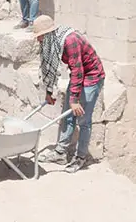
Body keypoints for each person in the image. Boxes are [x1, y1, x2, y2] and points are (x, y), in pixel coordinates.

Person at [32, 15, 105, 173]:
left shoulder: (69, 40)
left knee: (83, 118)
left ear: (48, 33)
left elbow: (78, 70)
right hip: (78, 75)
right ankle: (60, 153)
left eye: (40, 37)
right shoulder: (51, 42)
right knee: (68, 114)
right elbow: (49, 66)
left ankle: (80, 158)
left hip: (91, 76)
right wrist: (49, 92)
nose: (38, 40)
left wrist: (74, 100)